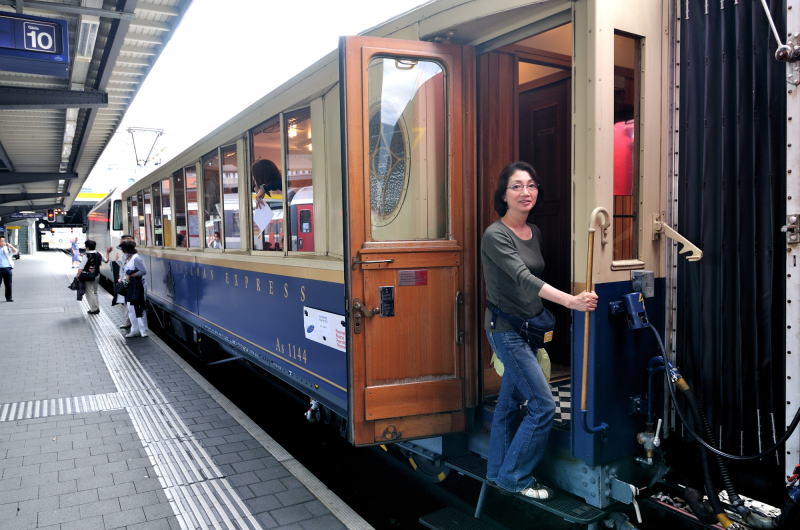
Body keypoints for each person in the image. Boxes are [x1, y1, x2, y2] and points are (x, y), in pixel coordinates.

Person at [481, 161, 598, 500]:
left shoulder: (534, 232)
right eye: (516, 186)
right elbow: (525, 278)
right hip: (505, 330)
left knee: (509, 404)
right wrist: (571, 302)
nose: (525, 192)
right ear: (503, 195)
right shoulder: (495, 235)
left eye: (530, 185)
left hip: (530, 329)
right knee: (543, 405)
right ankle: (515, 477)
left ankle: (497, 472)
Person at [118, 240, 148, 338]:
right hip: (129, 286)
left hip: (136, 286)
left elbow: (143, 271)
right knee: (131, 308)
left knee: (138, 307)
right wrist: (124, 284)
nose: (122, 251)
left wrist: (131, 275)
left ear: (127, 250)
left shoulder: (136, 258)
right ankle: (135, 329)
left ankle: (142, 330)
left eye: (123, 249)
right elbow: (125, 273)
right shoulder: (127, 258)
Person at [251, 159, 282, 250]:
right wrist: (259, 189)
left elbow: (278, 183)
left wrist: (264, 188)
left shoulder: (279, 188)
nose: (253, 179)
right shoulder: (268, 191)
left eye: (254, 176)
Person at [108, 235, 137, 329]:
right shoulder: (126, 256)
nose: (121, 248)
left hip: (127, 281)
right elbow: (123, 268)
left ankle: (129, 323)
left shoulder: (131, 257)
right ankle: (128, 322)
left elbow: (130, 269)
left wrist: (124, 279)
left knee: (127, 302)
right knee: (126, 302)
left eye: (122, 245)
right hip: (124, 280)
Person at [76, 239, 106, 314]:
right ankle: (96, 307)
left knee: (89, 292)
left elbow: (81, 267)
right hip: (97, 275)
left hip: (88, 276)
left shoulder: (86, 255)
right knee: (95, 292)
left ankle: (94, 309)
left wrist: (77, 276)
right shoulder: (99, 254)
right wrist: (108, 253)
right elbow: (106, 261)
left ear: (87, 247)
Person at [0, 236, 18, 302]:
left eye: (3, 241)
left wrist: (10, 246)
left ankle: (9, 298)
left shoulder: (7, 248)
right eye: (1, 241)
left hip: (7, 268)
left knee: (8, 284)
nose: (3, 242)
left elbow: (15, 252)